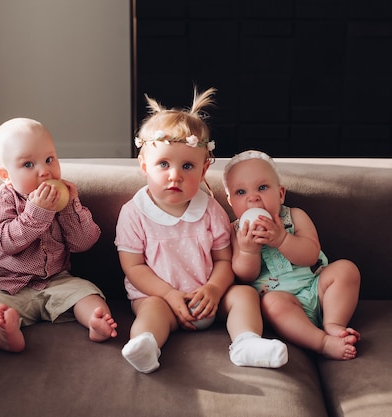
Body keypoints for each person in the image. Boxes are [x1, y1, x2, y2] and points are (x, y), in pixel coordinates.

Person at [115, 88, 288, 373]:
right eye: (163, 164)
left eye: (187, 166)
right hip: (161, 298)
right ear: (144, 166)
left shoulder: (210, 210)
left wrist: (214, 289)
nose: (175, 175)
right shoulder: (134, 213)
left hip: (210, 299)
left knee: (244, 296)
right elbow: (133, 268)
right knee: (150, 312)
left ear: (204, 169)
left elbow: (223, 260)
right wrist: (169, 294)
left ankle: (246, 342)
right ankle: (146, 345)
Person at [0, 117, 117, 352]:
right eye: (29, 165)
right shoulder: (3, 200)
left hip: (57, 281)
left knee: (88, 294)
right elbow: (6, 242)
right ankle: (4, 334)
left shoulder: (65, 197)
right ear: (5, 175)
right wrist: (37, 212)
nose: (45, 172)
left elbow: (84, 243)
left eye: (49, 159)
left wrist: (70, 207)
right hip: (7, 287)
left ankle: (95, 322)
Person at [223, 150, 361, 360]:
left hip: (318, 289)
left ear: (280, 194)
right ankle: (322, 342)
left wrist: (282, 240)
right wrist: (248, 250)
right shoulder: (236, 231)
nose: (253, 197)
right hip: (282, 302)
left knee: (345, 269)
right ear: (231, 201)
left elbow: (311, 255)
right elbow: (244, 276)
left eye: (262, 187)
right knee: (272, 304)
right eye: (241, 192)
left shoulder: (294, 216)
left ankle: (334, 323)